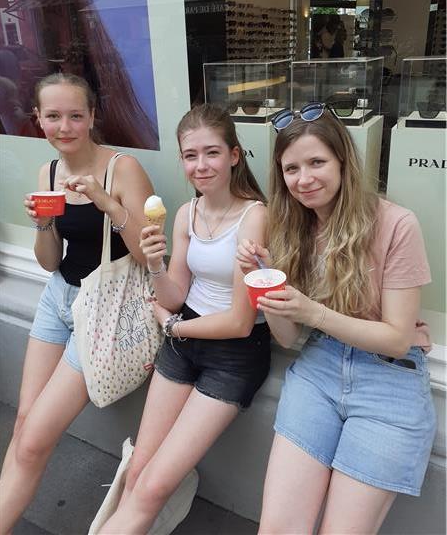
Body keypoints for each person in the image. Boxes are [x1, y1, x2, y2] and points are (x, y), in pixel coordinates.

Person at [237, 103, 437, 534]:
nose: (304, 179)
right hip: (320, 370)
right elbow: (287, 338)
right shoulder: (293, 227)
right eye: (291, 169)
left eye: (317, 162)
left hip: (389, 380)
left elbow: (397, 338)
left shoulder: (396, 224)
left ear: (343, 162)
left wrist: (314, 311)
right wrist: (265, 287)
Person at [98, 103, 271, 534]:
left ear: (234, 155)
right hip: (184, 341)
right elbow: (174, 296)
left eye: (212, 153)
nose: (201, 165)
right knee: (138, 470)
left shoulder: (255, 217)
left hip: (233, 355)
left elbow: (240, 321)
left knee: (153, 487)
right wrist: (155, 264)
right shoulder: (185, 214)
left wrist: (171, 327)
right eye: (191, 155)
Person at [0, 72, 154, 533]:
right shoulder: (48, 173)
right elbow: (50, 262)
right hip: (58, 297)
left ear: (91, 117)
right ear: (38, 119)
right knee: (24, 422)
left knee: (32, 441)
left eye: (74, 116)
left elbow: (148, 256)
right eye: (53, 116)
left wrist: (106, 202)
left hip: (103, 308)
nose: (64, 127)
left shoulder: (122, 168)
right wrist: (43, 224)